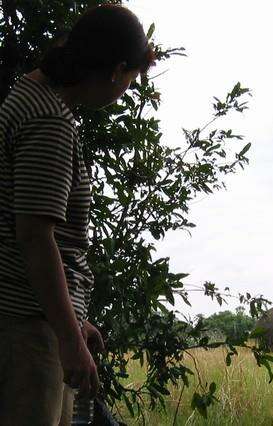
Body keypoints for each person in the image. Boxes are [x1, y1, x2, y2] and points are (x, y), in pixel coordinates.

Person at [0, 4, 156, 425]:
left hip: (40, 320)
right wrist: (68, 339)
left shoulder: (34, 98)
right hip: (31, 331)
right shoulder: (50, 119)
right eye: (130, 80)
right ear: (116, 70)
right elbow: (34, 236)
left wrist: (74, 319)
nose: (125, 90)